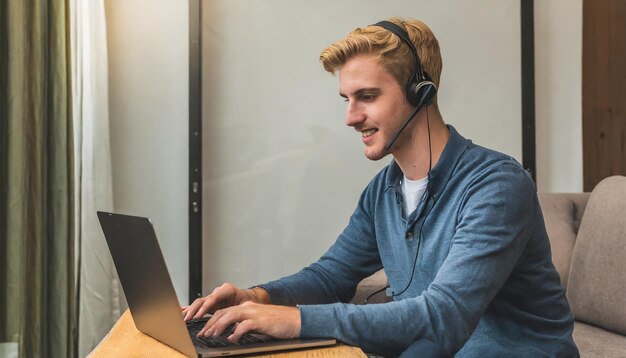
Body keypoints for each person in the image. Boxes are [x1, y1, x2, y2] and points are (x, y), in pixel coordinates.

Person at [183, 17, 579, 357]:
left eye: (367, 97)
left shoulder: (495, 184)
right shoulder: (383, 192)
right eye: (346, 99)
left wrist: (294, 320)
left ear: (420, 92)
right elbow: (330, 277)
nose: (350, 118)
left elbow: (445, 315)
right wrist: (257, 298)